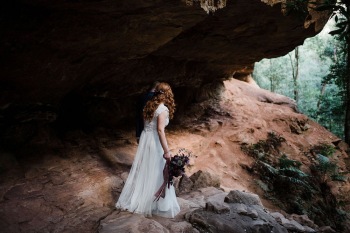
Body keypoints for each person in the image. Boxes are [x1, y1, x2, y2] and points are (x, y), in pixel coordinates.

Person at [116, 82, 180, 218]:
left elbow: (147, 126)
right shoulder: (162, 110)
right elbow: (160, 130)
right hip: (154, 142)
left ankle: (143, 199)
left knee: (147, 170)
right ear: (167, 94)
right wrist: (167, 151)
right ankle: (152, 203)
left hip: (146, 140)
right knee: (157, 170)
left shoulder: (149, 106)